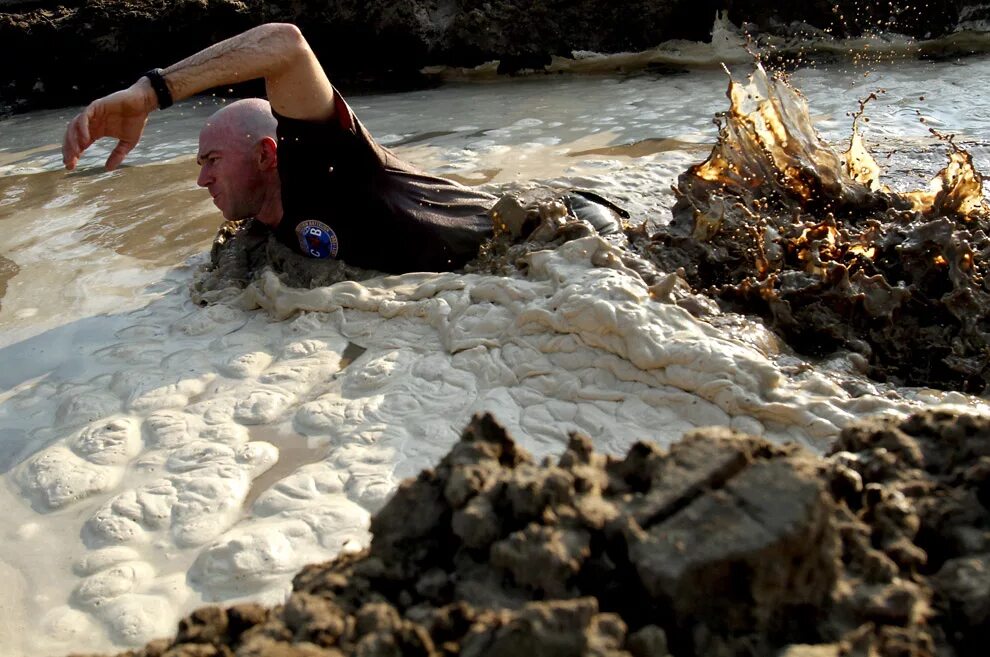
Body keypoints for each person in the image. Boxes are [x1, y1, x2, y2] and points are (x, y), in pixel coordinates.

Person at [62, 23, 496, 273]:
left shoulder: (332, 165)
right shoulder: (260, 225)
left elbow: (286, 45)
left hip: (516, 240)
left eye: (213, 161)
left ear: (268, 155)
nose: (201, 179)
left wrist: (150, 93)